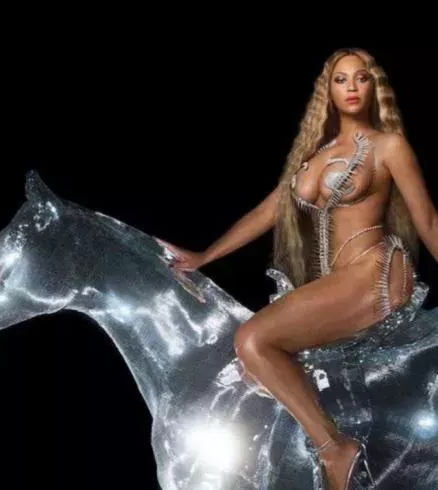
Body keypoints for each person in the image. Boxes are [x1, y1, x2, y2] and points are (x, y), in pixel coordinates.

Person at [156, 48, 438, 489]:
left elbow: (430, 223)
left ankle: (335, 449)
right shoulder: (317, 154)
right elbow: (266, 212)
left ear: (374, 87)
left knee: (253, 339)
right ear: (328, 90)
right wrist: (204, 256)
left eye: (361, 78)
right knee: (251, 363)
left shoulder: (389, 147)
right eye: (341, 80)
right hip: (338, 280)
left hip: (375, 273)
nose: (351, 88)